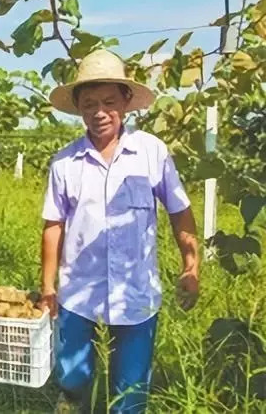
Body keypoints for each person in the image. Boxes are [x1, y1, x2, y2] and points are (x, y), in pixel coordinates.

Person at [38, 49, 201, 413]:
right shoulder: (65, 162)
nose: (99, 112)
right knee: (73, 377)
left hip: (136, 295)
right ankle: (73, 399)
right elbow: (53, 225)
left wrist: (191, 266)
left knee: (130, 395)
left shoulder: (151, 152)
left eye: (109, 101)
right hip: (80, 293)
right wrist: (48, 288)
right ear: (78, 108)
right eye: (89, 103)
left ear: (126, 102)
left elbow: (180, 210)